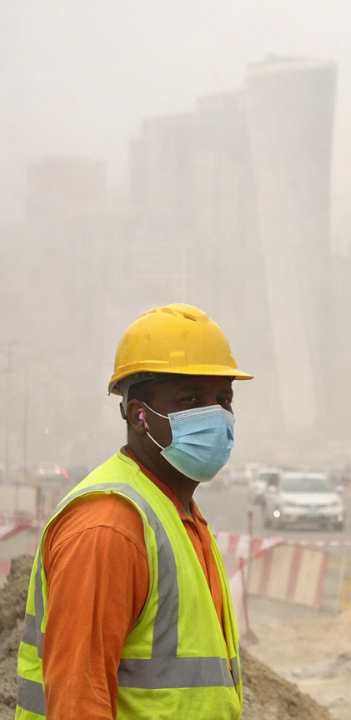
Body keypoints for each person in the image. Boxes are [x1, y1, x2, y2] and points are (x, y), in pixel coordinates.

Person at [16, 304, 252, 720]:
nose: (215, 415)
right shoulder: (110, 525)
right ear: (140, 414)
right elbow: (77, 701)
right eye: (190, 399)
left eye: (223, 399)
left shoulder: (178, 514)